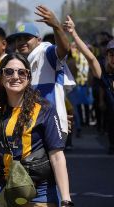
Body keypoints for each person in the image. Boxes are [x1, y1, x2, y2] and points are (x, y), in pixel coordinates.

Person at [0, 53, 73, 207]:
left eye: (22, 72)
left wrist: (66, 199)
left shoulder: (44, 109)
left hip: (38, 193)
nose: (15, 76)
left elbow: (56, 155)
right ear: (1, 77)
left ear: (28, 78)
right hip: (1, 190)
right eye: (9, 72)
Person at [6, 5, 75, 139]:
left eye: (27, 38)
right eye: (18, 39)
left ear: (39, 40)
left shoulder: (46, 53)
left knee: (54, 160)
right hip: (28, 126)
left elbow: (64, 49)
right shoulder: (17, 63)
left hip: (49, 125)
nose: (21, 42)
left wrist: (56, 26)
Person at [63, 15, 114, 154]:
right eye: (111, 54)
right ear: (107, 56)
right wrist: (73, 33)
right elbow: (90, 57)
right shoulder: (103, 73)